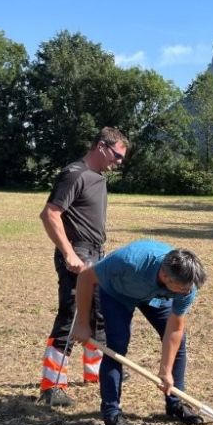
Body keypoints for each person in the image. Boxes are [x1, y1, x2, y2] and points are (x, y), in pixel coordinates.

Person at [71, 238, 208, 425]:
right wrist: (83, 323)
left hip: (155, 297)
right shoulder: (129, 261)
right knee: (117, 348)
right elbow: (85, 277)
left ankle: (176, 403)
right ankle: (112, 414)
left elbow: (175, 330)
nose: (187, 293)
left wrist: (166, 371)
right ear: (164, 276)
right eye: (182, 290)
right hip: (117, 292)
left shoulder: (187, 286)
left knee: (179, 345)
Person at [38, 127, 128, 407]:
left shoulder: (97, 178)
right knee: (71, 314)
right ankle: (52, 386)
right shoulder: (74, 173)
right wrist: (68, 254)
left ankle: (95, 372)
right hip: (78, 253)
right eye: (117, 155)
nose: (119, 162)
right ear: (101, 147)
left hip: (96, 254)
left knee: (99, 313)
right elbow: (50, 213)